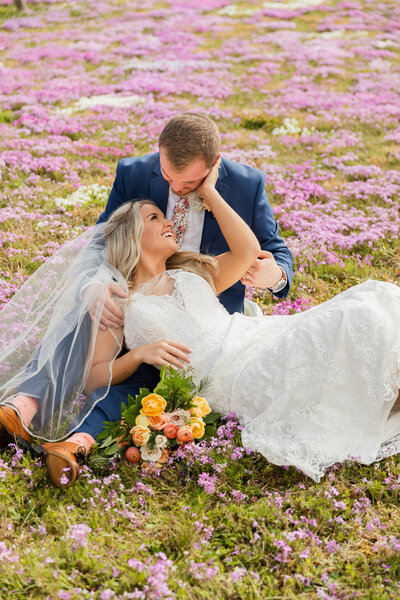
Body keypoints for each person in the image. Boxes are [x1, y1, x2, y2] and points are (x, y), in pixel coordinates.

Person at [1, 158, 400, 485]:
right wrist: (140, 354)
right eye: (155, 217)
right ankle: (32, 413)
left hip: (255, 336)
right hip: (225, 374)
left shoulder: (192, 271)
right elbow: (93, 376)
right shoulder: (119, 298)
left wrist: (209, 191)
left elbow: (247, 248)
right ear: (134, 235)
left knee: (371, 302)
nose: (169, 220)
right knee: (352, 325)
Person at [0, 112, 293, 485]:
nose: (174, 189)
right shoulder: (134, 174)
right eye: (167, 177)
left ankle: (77, 437)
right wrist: (93, 283)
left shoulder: (246, 187)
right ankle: (28, 406)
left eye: (187, 182)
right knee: (95, 308)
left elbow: (267, 250)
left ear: (213, 165)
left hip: (209, 308)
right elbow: (103, 238)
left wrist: (275, 274)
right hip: (142, 308)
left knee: (140, 378)